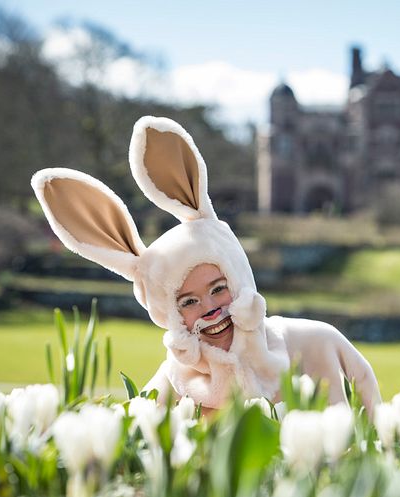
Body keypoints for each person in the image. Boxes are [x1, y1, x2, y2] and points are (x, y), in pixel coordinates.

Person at [31, 116, 381, 415]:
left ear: (239, 276)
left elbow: (380, 432)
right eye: (188, 301)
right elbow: (133, 442)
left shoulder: (316, 344)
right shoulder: (174, 381)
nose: (212, 310)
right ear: (167, 313)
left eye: (218, 288)